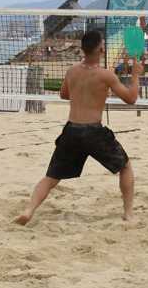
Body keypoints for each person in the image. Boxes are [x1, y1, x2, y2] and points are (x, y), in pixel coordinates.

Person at [16, 29, 141, 225]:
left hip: (72, 130)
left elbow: (64, 95)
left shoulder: (72, 71)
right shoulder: (106, 75)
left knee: (51, 178)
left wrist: (86, 93)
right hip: (93, 131)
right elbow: (131, 99)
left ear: (82, 49)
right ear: (100, 49)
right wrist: (135, 76)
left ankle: (29, 210)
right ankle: (128, 214)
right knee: (125, 167)